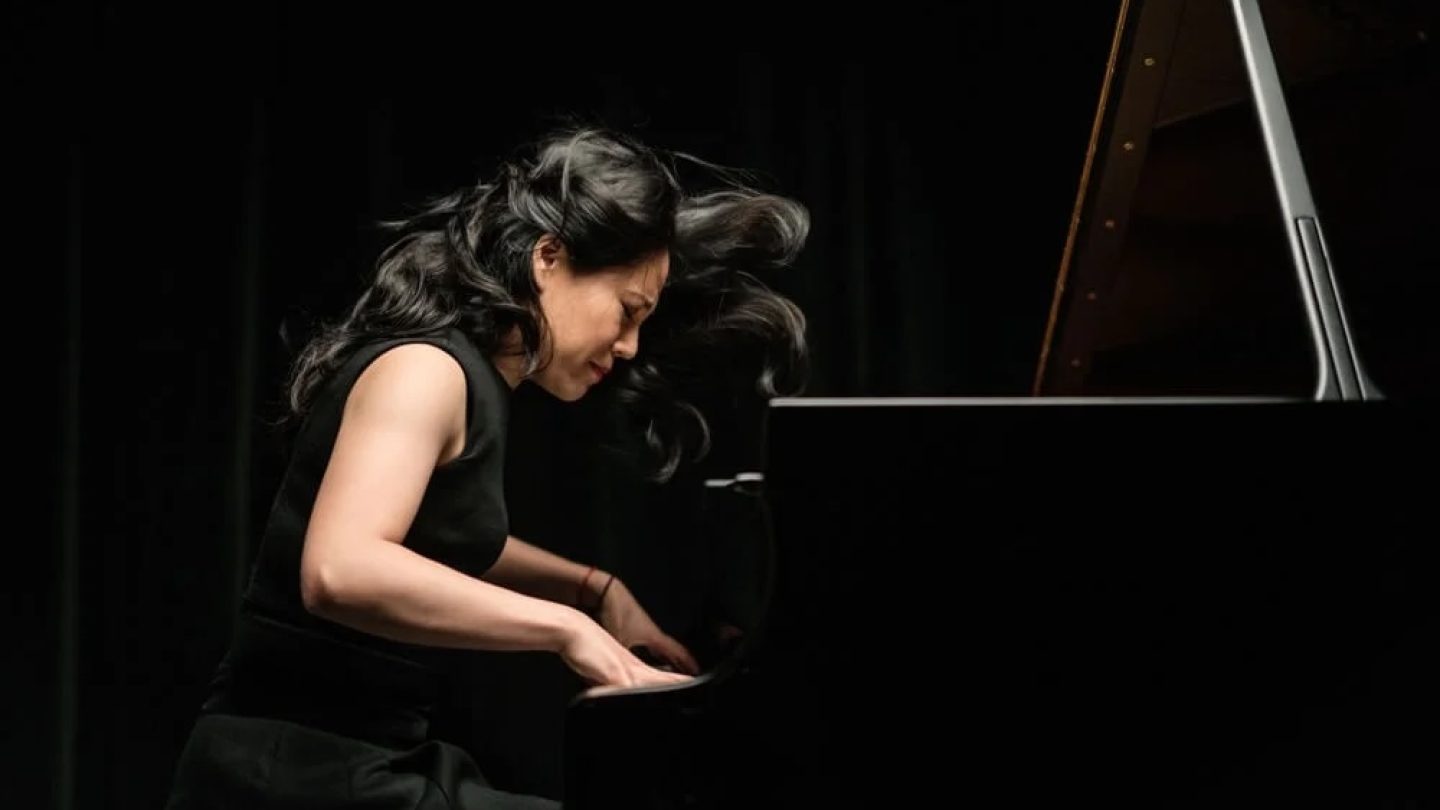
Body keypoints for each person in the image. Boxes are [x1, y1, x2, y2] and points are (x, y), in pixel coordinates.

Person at [164, 125, 809, 809]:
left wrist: (597, 590)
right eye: (627, 311)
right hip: (294, 773)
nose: (628, 346)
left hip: (361, 761)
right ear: (548, 258)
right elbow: (340, 569)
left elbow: (450, 540)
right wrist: (567, 629)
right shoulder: (426, 370)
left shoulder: (470, 379)